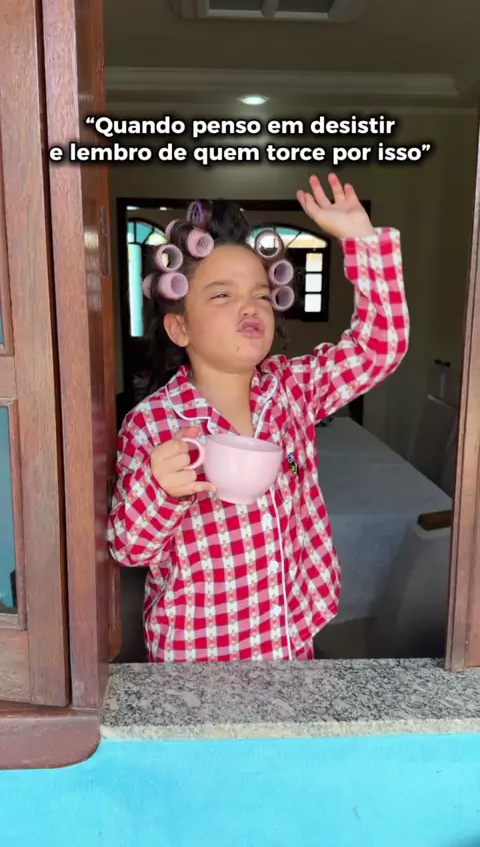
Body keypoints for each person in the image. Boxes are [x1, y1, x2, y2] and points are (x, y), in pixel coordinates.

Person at [108, 174, 409, 663]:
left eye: (261, 295)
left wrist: (363, 243)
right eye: (222, 295)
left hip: (291, 640)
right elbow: (129, 549)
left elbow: (379, 348)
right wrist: (160, 488)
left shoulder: (293, 390)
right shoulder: (151, 424)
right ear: (180, 327)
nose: (249, 306)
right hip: (195, 658)